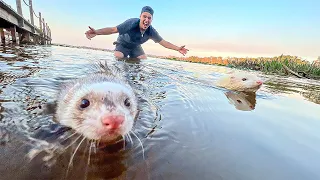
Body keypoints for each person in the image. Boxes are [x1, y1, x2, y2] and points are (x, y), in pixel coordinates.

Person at [85, 6, 189, 60]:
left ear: (152, 20)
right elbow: (113, 30)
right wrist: (97, 32)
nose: (146, 20)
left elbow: (164, 42)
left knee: (143, 60)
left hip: (135, 47)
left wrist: (178, 48)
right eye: (144, 17)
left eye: (149, 18)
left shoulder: (151, 31)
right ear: (140, 17)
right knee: (119, 57)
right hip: (123, 44)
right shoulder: (131, 23)